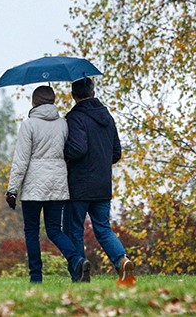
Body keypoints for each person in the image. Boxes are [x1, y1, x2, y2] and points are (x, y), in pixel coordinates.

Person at [5, 85, 85, 283]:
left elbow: (21, 160)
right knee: (55, 230)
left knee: (32, 231)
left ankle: (36, 278)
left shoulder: (29, 125)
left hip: (33, 187)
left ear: (34, 102)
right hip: (57, 184)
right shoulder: (63, 124)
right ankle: (76, 260)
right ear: (53, 101)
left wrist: (12, 190)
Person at [64, 76, 134, 285]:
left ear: (73, 95)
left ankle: (80, 271)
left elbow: (77, 148)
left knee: (74, 229)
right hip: (103, 184)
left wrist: (64, 153)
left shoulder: (75, 117)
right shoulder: (107, 116)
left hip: (79, 185)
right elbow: (116, 152)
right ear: (93, 93)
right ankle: (122, 260)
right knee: (103, 228)